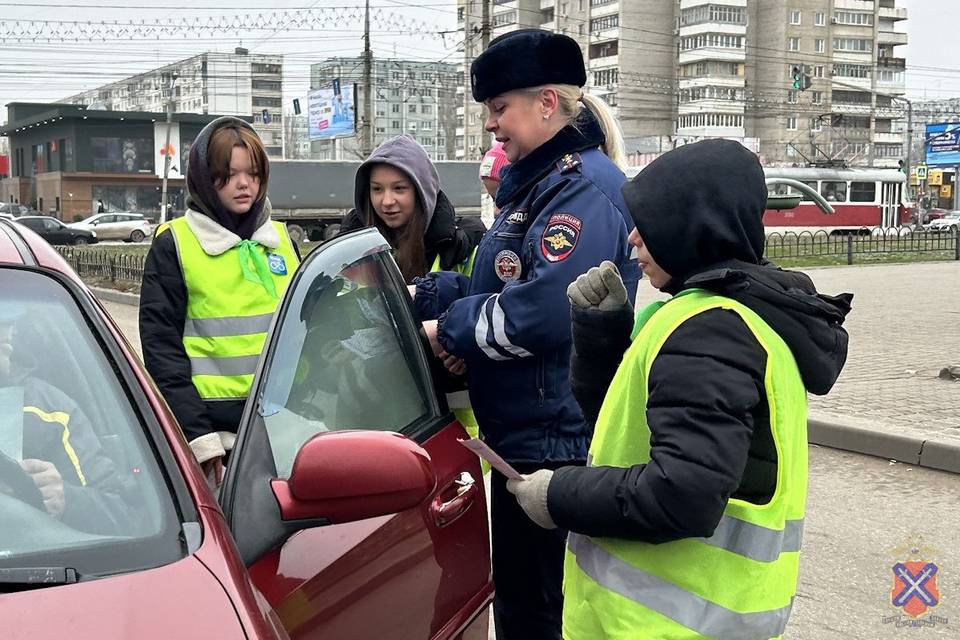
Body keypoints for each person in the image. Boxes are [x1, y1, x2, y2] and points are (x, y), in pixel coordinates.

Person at [505, 139, 853, 639]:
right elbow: (637, 430)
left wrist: (558, 494)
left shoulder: (711, 329)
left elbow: (682, 494)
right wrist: (603, 340)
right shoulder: (715, 313)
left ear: (694, 222)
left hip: (669, 625)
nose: (632, 240)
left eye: (649, 221)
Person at [411, 29, 639, 640]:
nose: (491, 124)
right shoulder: (538, 186)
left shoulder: (580, 191)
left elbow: (542, 312)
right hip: (523, 435)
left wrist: (450, 330)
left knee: (537, 612)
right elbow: (503, 288)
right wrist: (426, 296)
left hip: (553, 443)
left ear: (546, 102)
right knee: (518, 602)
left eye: (499, 108)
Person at [139, 117, 299, 486]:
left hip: (284, 428)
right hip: (217, 442)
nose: (244, 184)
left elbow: (308, 330)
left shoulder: (280, 239)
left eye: (253, 173)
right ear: (203, 179)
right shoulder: (175, 243)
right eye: (227, 175)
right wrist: (200, 439)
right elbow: (162, 351)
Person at [0, 308, 132, 534]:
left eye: (10, 319)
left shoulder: (51, 410)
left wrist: (65, 499)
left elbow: (124, 514)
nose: (9, 328)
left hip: (38, 561)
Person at [339, 134, 486, 284]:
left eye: (399, 188)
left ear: (422, 192)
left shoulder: (458, 251)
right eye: (377, 189)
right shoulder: (351, 253)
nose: (387, 201)